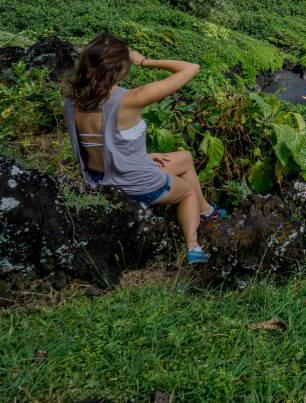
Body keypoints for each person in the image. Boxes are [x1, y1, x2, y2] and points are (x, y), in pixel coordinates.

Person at [63, 33, 225, 264]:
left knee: (185, 158)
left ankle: (207, 212)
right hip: (132, 182)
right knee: (187, 191)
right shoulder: (129, 99)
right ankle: (193, 247)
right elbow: (191, 68)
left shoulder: (71, 101)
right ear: (120, 68)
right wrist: (143, 61)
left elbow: (97, 143)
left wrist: (144, 156)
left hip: (98, 179)